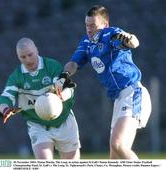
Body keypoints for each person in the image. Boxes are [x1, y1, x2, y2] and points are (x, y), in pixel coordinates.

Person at [55, 5, 151, 159]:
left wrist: (129, 39)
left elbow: (133, 42)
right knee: (114, 158)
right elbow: (73, 64)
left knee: (118, 145)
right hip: (119, 99)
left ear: (105, 25)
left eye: (93, 25)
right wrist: (64, 75)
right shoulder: (86, 42)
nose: (89, 29)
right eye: (87, 25)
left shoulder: (110, 34)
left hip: (132, 93)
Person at [0, 38, 81, 159]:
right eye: (23, 57)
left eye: (30, 54)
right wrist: (5, 109)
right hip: (38, 125)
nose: (28, 60)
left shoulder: (52, 66)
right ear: (18, 57)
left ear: (36, 50)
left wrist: (61, 95)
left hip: (64, 121)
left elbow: (67, 88)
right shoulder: (16, 77)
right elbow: (5, 98)